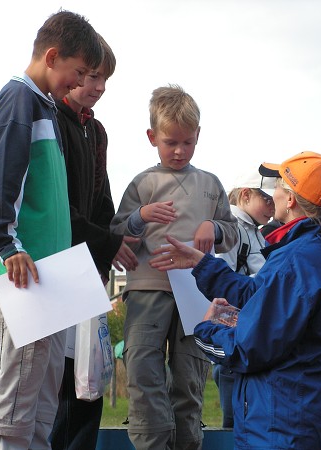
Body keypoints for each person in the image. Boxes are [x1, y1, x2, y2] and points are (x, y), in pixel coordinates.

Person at [150, 151, 321, 449]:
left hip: (284, 427)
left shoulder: (297, 260)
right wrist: (202, 264)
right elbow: (263, 295)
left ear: (290, 199)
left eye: (277, 187)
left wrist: (206, 329)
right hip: (312, 419)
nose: (272, 194)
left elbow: (248, 347)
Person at [0, 10, 102, 449]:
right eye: (77, 72)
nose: (77, 84)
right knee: (16, 396)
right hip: (23, 268)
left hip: (49, 274)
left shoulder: (46, 107)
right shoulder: (19, 100)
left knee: (41, 398)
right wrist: (6, 245)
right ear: (52, 56)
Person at [110, 84, 238, 450]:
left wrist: (212, 227)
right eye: (170, 142)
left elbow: (232, 233)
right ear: (152, 137)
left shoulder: (210, 184)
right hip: (147, 290)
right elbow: (117, 235)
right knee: (143, 372)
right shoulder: (143, 183)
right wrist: (140, 217)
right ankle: (152, 444)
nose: (179, 151)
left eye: (187, 142)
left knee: (189, 379)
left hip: (196, 296)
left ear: (198, 136)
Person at [49, 34, 139, 450]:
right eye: (90, 75)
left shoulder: (96, 131)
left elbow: (101, 197)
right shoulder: (52, 120)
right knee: (59, 385)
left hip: (89, 270)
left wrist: (113, 241)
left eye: (103, 78)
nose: (97, 86)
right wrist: (104, 242)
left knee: (89, 379)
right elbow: (58, 208)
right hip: (55, 267)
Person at [212, 168, 275, 428]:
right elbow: (221, 279)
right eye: (267, 199)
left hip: (248, 326)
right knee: (233, 403)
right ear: (246, 195)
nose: (272, 207)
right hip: (234, 327)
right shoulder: (233, 226)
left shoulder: (253, 229)